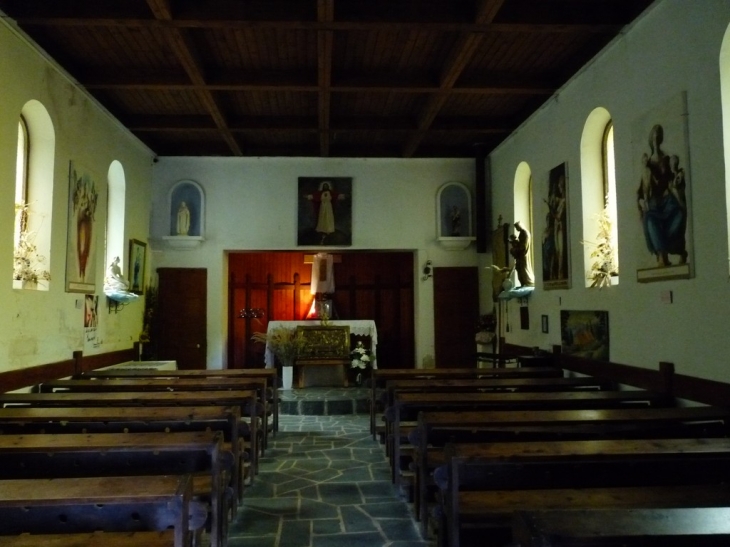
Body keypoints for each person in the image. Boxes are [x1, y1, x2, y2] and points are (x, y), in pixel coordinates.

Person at [636, 124, 688, 267]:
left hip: (668, 202)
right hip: (654, 205)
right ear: (650, 139)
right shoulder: (647, 165)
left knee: (678, 215)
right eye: (654, 135)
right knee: (650, 221)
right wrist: (640, 207)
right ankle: (661, 255)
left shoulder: (667, 159)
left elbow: (674, 178)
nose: (656, 138)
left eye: (659, 135)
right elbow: (642, 188)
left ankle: (671, 249)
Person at [511, 221, 535, 287]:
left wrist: (515, 249)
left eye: (517, 227)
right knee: (520, 270)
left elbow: (524, 247)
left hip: (523, 255)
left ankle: (528, 282)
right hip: (520, 256)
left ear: (520, 226)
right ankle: (523, 284)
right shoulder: (522, 233)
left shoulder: (525, 233)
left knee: (524, 269)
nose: (516, 229)